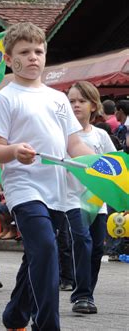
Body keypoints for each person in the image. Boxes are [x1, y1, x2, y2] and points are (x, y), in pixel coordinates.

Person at [0, 22, 94, 330]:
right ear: (9, 59)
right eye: (24, 52)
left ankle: (15, 315)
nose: (33, 57)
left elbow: (74, 144)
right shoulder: (6, 98)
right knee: (46, 248)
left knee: (36, 256)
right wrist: (15, 150)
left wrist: (102, 167)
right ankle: (46, 325)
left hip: (58, 191)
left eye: (38, 51)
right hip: (23, 186)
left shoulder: (58, 98)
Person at [65, 81, 117, 313]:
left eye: (81, 101)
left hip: (98, 203)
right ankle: (82, 295)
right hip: (70, 200)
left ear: (93, 106)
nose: (76, 105)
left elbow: (114, 166)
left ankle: (87, 293)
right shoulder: (61, 134)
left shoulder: (101, 135)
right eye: (71, 101)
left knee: (97, 249)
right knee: (82, 244)